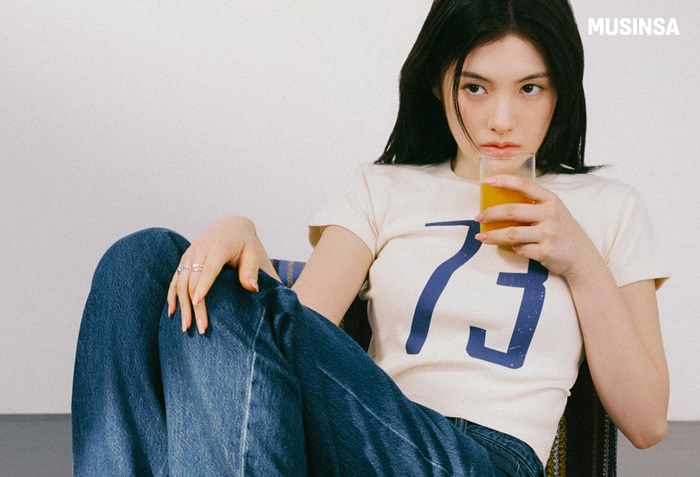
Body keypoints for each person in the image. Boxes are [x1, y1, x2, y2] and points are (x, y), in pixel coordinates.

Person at [72, 0, 670, 476]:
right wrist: (239, 231)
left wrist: (579, 259)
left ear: (561, 90)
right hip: (370, 434)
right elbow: (295, 332)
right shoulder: (381, 188)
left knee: (220, 294)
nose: (502, 120)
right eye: (475, 87)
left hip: (486, 459)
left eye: (530, 88)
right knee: (141, 258)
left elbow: (646, 422)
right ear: (438, 83)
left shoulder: (607, 207)